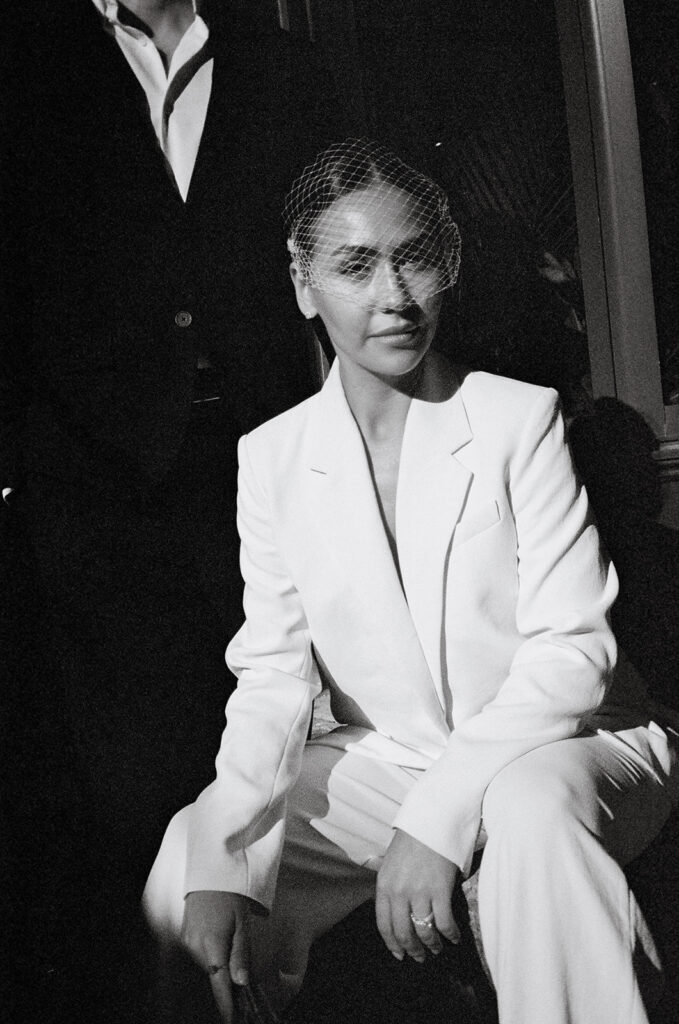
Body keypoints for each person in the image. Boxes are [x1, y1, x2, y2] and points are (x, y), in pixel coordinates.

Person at [144, 138, 679, 1024]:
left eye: (414, 260)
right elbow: (274, 675)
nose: (393, 297)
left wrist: (433, 823)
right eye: (355, 265)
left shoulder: (516, 420)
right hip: (389, 757)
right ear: (301, 280)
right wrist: (227, 856)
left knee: (528, 814)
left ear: (445, 268)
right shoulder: (271, 458)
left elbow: (573, 657)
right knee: (188, 864)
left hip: (567, 743)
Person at [1, 3, 343, 1021]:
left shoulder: (279, 64)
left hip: (266, 487)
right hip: (98, 504)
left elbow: (337, 248)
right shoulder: (24, 58)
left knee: (269, 797)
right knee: (136, 813)